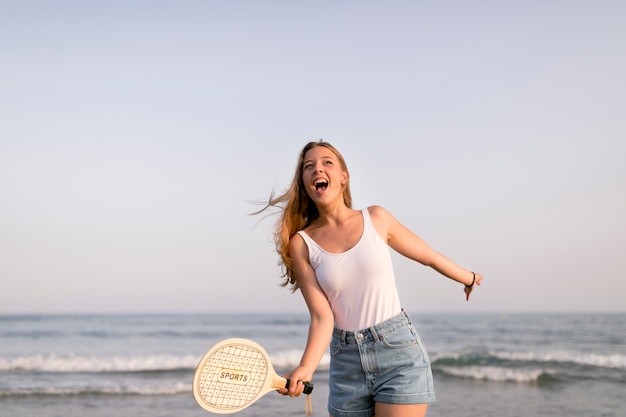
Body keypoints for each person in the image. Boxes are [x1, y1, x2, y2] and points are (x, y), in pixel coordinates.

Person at [256, 140, 483, 417]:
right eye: (308, 166)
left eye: (327, 162)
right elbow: (321, 317)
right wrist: (306, 367)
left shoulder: (376, 218)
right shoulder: (301, 243)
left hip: (397, 353)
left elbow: (429, 256)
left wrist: (468, 277)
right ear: (304, 182)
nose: (318, 169)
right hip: (346, 364)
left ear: (343, 177)